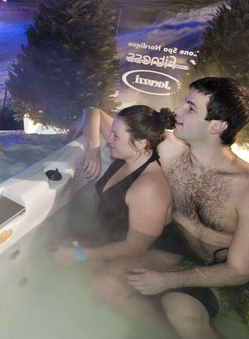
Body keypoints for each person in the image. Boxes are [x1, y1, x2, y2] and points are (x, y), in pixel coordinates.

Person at [77, 77, 249, 339]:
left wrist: (166, 281)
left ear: (218, 126)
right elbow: (97, 115)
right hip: (194, 261)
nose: (177, 111)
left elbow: (239, 271)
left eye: (191, 108)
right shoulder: (170, 152)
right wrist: (93, 149)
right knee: (135, 294)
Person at [52, 105, 183, 335]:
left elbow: (136, 247)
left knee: (106, 286)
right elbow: (92, 111)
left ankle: (165, 332)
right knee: (59, 246)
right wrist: (93, 149)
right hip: (119, 237)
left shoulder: (149, 187)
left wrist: (80, 255)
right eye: (111, 133)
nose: (109, 140)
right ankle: (98, 311)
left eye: (115, 136)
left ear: (141, 143)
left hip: (157, 252)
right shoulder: (129, 154)